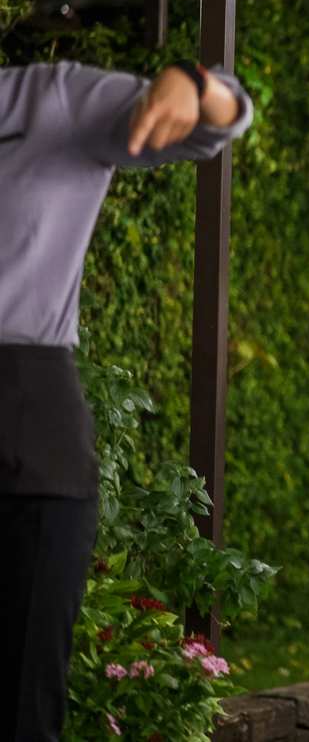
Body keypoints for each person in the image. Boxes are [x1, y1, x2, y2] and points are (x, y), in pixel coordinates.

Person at [0, 59, 254, 741]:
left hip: (28, 436)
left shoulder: (49, 98)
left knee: (21, 706)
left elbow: (219, 119)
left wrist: (193, 85)